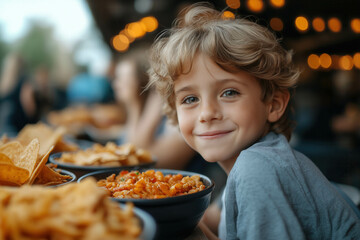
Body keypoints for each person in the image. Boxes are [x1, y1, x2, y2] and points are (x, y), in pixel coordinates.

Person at [147, 3, 360, 239]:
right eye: (190, 98)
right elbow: (213, 220)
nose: (207, 113)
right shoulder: (251, 164)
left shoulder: (257, 168)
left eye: (229, 93)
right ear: (176, 113)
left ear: (274, 104)